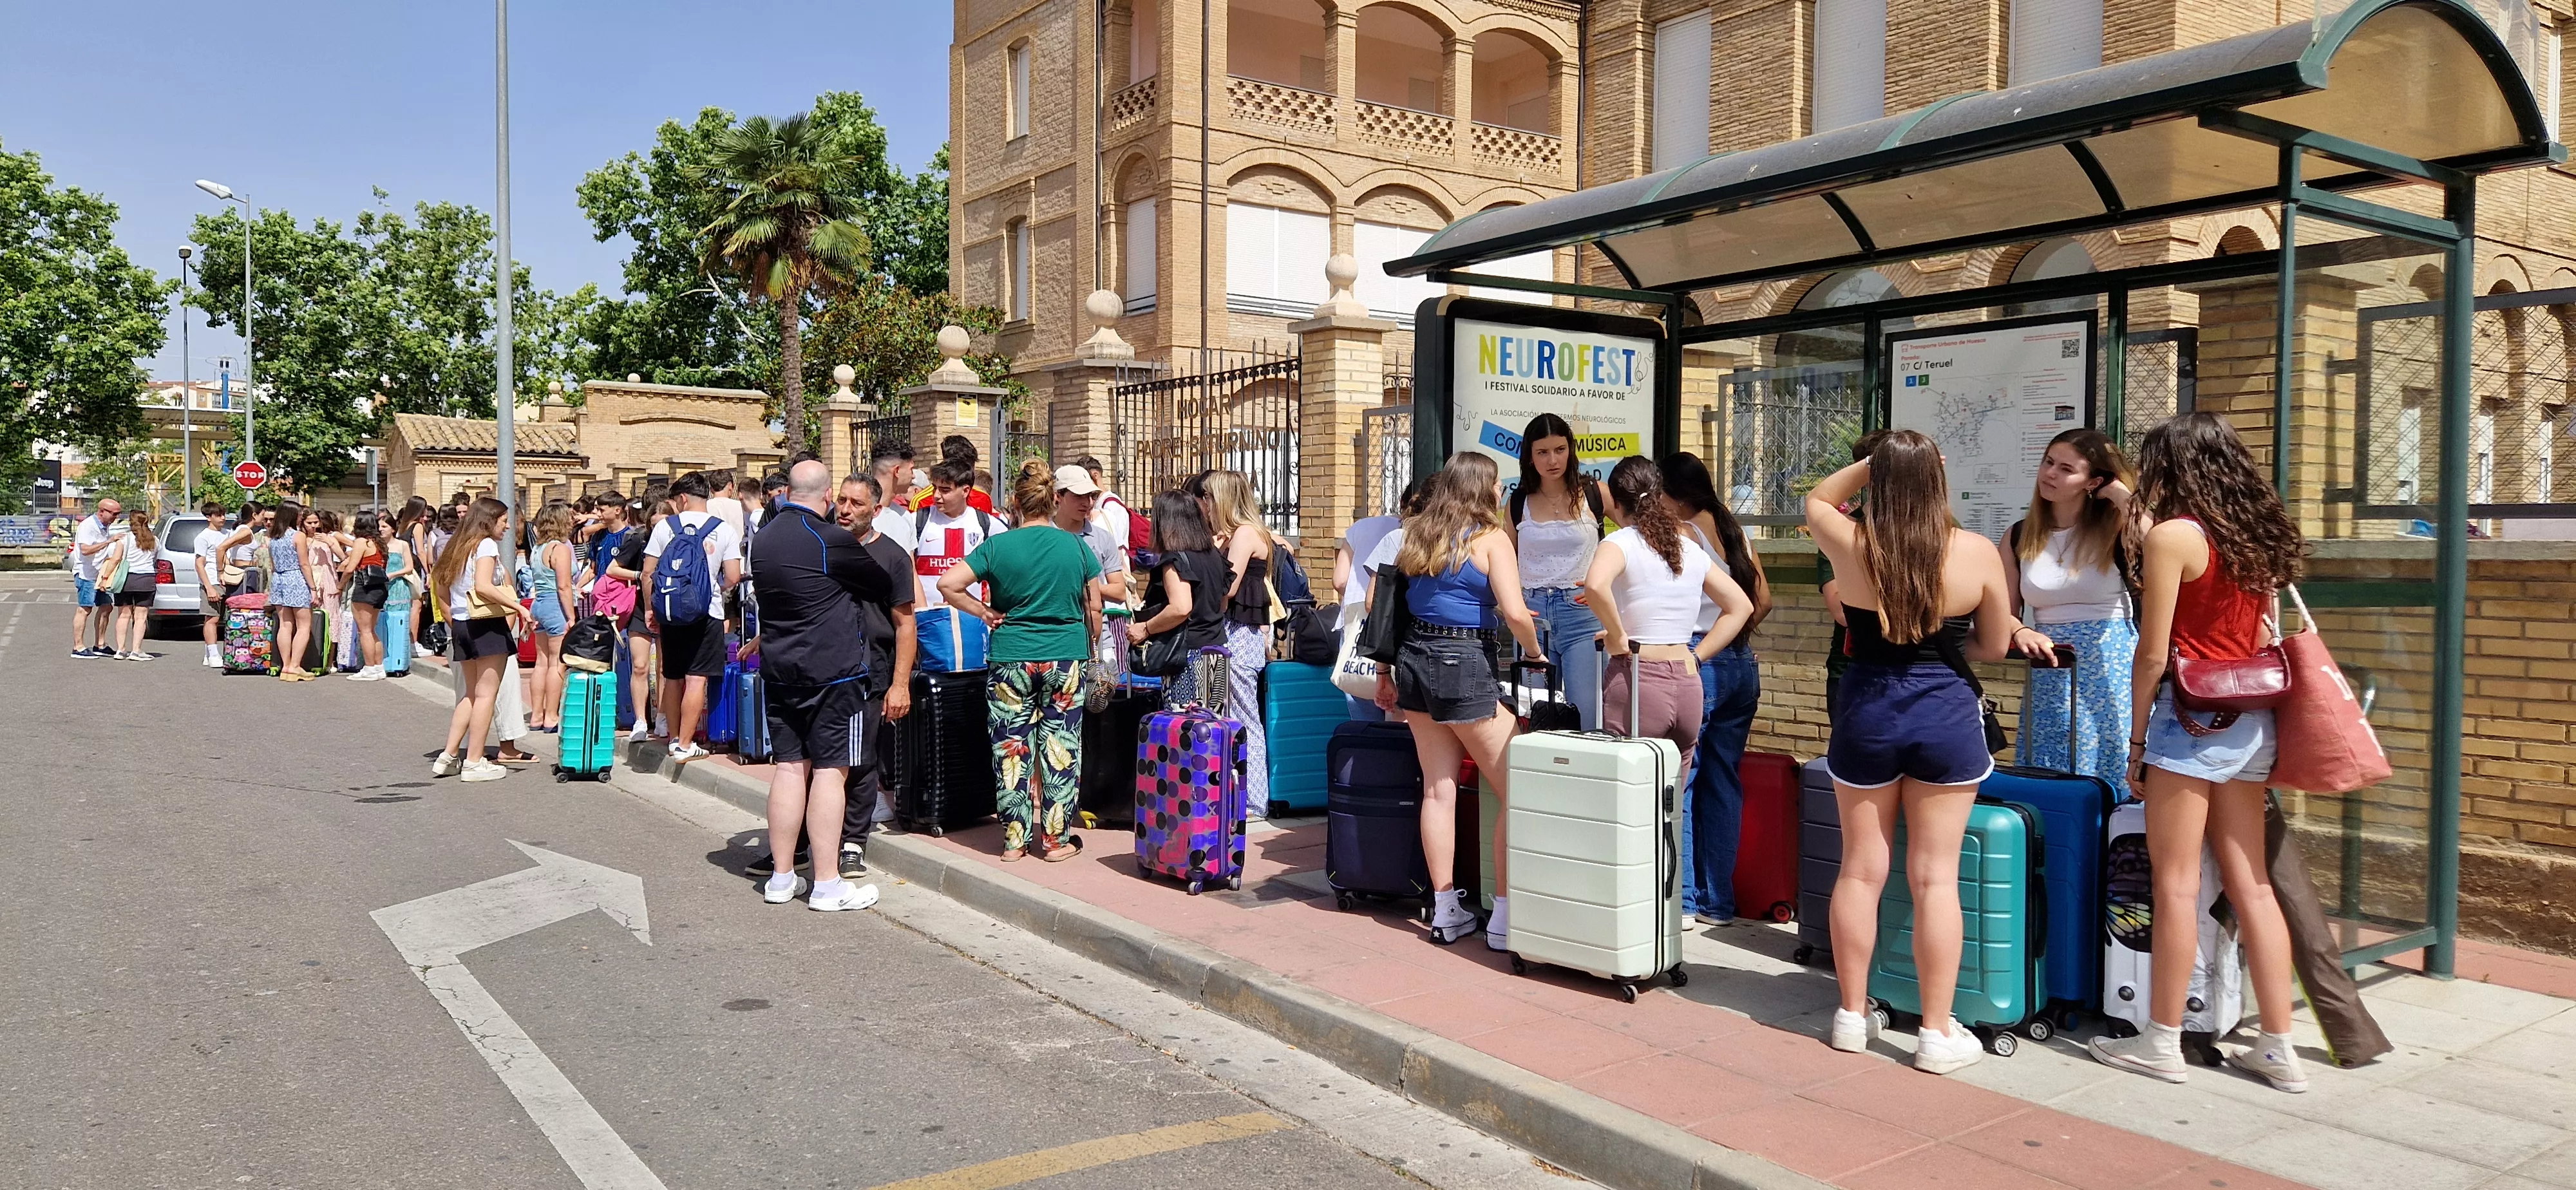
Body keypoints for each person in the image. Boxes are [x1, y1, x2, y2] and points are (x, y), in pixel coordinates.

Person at [2088, 413, 2311, 1093]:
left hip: (2189, 724)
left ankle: (2161, 1042)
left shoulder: (2173, 538)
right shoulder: (2257, 535)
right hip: (2252, 723)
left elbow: (2152, 652)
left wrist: (2133, 743)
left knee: (2175, 884)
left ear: (2170, 467)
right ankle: (2277, 1047)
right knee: (2252, 886)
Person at [1804, 430, 2022, 1075]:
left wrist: (1875, 467)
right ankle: (1933, 1032)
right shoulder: (1977, 552)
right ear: (1938, 481)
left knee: (1859, 870)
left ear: (1877, 481)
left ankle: (1849, 1016)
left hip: (1867, 709)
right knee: (1935, 879)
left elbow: (1817, 498)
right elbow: (1991, 645)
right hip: (1944, 711)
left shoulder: (1851, 544)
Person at [1373, 453, 1544, 948]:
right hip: (1464, 660)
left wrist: (1384, 672)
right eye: (1495, 485)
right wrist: (1534, 652)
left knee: (1437, 790)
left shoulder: (1416, 534)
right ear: (1482, 489)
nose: (1499, 493)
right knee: (1518, 785)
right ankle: (1505, 916)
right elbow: (1514, 612)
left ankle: (1446, 909)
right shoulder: (1491, 538)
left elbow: (1379, 606)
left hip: (1412, 662)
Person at [742, 461, 898, 910]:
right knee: (832, 770)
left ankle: (781, 876)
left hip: (780, 668)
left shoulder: (764, 538)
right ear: (827, 495)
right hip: (835, 674)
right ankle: (827, 884)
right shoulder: (829, 539)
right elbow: (880, 582)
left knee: (790, 768)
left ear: (788, 491)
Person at [938, 474, 1104, 861]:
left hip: (1011, 654)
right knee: (1060, 746)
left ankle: (1014, 841)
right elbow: (1092, 604)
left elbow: (949, 583)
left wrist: (985, 612)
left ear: (1016, 503)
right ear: (1051, 503)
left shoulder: (997, 546)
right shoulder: (1076, 548)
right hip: (1065, 655)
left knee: (1010, 747)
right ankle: (1055, 841)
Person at [1581, 456, 1754, 783]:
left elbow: (1594, 585)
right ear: (1659, 496)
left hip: (1638, 677)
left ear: (1616, 504)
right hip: (1688, 682)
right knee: (1670, 804)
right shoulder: (1687, 549)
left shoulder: (1620, 542)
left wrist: (1617, 635)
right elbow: (1741, 607)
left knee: (1627, 801)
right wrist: (1696, 658)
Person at [1663, 450, 1775, 927]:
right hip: (1740, 663)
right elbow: (1762, 600)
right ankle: (1717, 902)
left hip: (1697, 656)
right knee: (1724, 780)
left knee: (1683, 779)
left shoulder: (1682, 534)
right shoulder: (1734, 529)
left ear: (1673, 497)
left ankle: (1683, 901)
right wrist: (1735, 636)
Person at [2003, 428, 2141, 781]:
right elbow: (2005, 611)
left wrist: (2123, 498)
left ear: (2093, 481)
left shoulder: (2117, 528)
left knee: (2111, 760)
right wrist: (2019, 630)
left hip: (2110, 662)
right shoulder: (2020, 534)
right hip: (2051, 664)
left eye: (2067, 469)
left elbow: (2161, 546)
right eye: (2049, 462)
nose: (2050, 473)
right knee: (2050, 765)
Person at [830, 471, 917, 862]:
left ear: (877, 510)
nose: (845, 510)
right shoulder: (825, 546)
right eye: (842, 501)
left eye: (856, 504)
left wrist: (900, 684)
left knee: (861, 757)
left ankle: (853, 841)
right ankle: (802, 842)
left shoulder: (893, 557)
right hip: (824, 668)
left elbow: (905, 624)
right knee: (815, 761)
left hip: (870, 672)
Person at [1510, 413, 1606, 729]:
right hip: (1534, 616)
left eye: (1560, 449)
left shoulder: (1594, 492)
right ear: (1529, 456)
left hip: (1583, 614)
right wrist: (1511, 604)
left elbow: (1634, 538)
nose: (1553, 460)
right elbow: (1505, 557)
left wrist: (1607, 589)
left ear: (1571, 450)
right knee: (1539, 716)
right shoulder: (1518, 500)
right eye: (1543, 452)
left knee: (1589, 716)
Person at [1198, 470, 1284, 817]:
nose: (1204, 505)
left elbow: (1226, 586)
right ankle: (1236, 791)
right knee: (1227, 712)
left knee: (1246, 716)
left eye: (1208, 498)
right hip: (1234, 633)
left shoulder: (1245, 534)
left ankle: (1255, 798)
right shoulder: (1238, 534)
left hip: (1240, 634)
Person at [642, 472, 744, 760]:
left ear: (683, 499)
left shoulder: (665, 528)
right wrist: (714, 587)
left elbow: (648, 572)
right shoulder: (723, 530)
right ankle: (686, 745)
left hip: (671, 612)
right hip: (707, 612)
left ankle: (674, 738)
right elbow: (734, 576)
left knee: (673, 676)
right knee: (697, 679)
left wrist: (652, 608)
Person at [431, 497, 533, 782]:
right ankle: (475, 761)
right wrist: (519, 607)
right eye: (503, 521)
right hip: (486, 624)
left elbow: (443, 584)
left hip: (462, 624)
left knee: (471, 694)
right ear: (489, 521)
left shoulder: (457, 545)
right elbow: (484, 586)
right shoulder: (486, 545)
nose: (508, 526)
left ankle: (449, 755)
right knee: (487, 695)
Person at [1130, 491, 1230, 699]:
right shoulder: (1215, 556)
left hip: (1187, 657)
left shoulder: (1175, 560)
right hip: (1217, 653)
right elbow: (1222, 604)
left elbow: (1181, 607)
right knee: (1214, 726)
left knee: (1183, 726)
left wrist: (1146, 629)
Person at [1819, 430, 1891, 711]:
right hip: (1854, 670)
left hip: (1917, 672)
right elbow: (1842, 612)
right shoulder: (1843, 529)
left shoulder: (1941, 528)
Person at [912, 459, 1001, 672]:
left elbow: (1006, 570)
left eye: (945, 490)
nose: (936, 496)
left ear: (965, 490)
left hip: (973, 625)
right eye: (935, 488)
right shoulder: (917, 521)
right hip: (927, 625)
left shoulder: (987, 525)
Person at [218, 500, 317, 680]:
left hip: (279, 580)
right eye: (300, 515)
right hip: (296, 579)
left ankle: (286, 666)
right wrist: (313, 588)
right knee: (304, 625)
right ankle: (295, 666)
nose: (301, 518)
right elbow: (304, 563)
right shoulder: (298, 536)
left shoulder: (274, 537)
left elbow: (272, 564)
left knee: (285, 625)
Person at [612, 500, 668, 741]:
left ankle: (663, 717)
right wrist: (640, 575)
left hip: (667, 605)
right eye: (654, 525)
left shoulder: (678, 538)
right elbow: (612, 569)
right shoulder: (638, 539)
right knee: (640, 665)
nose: (658, 530)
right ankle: (640, 720)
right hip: (639, 606)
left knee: (665, 668)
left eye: (663, 525)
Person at [526, 504, 579, 731]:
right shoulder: (560, 548)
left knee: (541, 662)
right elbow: (564, 586)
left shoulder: (538, 549)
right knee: (558, 662)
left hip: (538, 605)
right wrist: (572, 617)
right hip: (555, 606)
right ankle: (551, 715)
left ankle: (536, 715)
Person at [94, 510, 159, 661]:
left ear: (131, 523)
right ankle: (136, 651)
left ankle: (121, 650)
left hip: (127, 580)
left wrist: (105, 578)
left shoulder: (125, 539)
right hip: (147, 580)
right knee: (141, 617)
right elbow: (155, 557)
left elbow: (116, 559)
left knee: (124, 615)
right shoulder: (154, 540)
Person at [69, 495, 122, 658]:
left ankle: (100, 644)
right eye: (113, 514)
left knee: (107, 607)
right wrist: (109, 542)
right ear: (102, 512)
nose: (116, 517)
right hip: (87, 574)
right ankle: (78, 647)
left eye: (118, 514)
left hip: (100, 574)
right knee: (85, 608)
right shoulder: (88, 526)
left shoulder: (104, 526)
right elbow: (85, 550)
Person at [341, 512, 392, 680]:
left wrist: (339, 586)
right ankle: (378, 667)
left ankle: (369, 668)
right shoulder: (379, 543)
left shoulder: (362, 542)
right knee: (371, 629)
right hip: (380, 588)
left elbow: (350, 567)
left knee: (364, 631)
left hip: (365, 587)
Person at [193, 500, 232, 667]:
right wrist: (208, 587)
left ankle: (210, 654)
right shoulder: (203, 537)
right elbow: (199, 564)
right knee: (212, 619)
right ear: (209, 517)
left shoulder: (227, 534)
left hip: (228, 580)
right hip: (212, 581)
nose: (222, 518)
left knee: (224, 619)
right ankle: (213, 654)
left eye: (224, 514)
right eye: (218, 515)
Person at [383, 505, 421, 677]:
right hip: (383, 589)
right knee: (385, 624)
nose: (380, 530)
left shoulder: (402, 545)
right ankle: (386, 660)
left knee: (401, 624)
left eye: (384, 527)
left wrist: (392, 574)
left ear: (392, 528)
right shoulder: (377, 546)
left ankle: (402, 662)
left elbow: (409, 567)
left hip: (399, 587)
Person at [868, 444, 919, 549]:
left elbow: (910, 565)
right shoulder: (860, 515)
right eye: (911, 469)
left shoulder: (905, 516)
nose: (913, 476)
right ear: (897, 471)